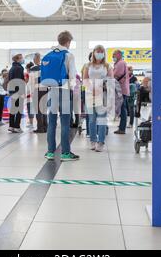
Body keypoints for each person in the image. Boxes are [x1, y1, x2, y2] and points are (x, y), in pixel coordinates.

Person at [45, 31, 79, 161]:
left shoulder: (49, 54)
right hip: (64, 89)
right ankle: (65, 153)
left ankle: (50, 152)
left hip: (51, 90)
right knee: (65, 123)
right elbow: (72, 76)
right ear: (68, 42)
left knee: (52, 122)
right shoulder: (68, 55)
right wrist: (71, 89)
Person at [83, 45, 113, 152]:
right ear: (94, 52)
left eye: (101, 51)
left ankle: (101, 142)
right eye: (97, 51)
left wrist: (102, 87)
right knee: (91, 120)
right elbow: (85, 79)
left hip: (103, 95)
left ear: (104, 53)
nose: (99, 53)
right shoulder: (87, 65)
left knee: (101, 119)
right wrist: (92, 89)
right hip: (90, 94)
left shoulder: (107, 66)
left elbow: (110, 80)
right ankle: (93, 140)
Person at [113, 50, 130, 134]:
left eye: (114, 54)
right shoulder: (121, 63)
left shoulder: (120, 63)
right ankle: (121, 127)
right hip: (123, 89)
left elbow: (116, 75)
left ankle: (122, 128)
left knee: (123, 108)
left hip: (121, 89)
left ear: (119, 54)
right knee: (123, 108)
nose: (113, 56)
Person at [30, 53, 47, 133]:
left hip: (37, 89)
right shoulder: (45, 67)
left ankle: (40, 128)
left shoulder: (33, 68)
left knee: (38, 110)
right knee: (44, 109)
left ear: (35, 59)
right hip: (45, 89)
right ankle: (45, 127)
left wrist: (32, 91)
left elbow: (32, 81)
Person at [8, 54, 25, 133]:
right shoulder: (19, 68)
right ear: (18, 59)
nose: (23, 59)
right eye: (22, 58)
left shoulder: (12, 68)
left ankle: (11, 126)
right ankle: (17, 126)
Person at [25, 62, 35, 128]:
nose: (26, 70)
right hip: (33, 93)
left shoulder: (29, 75)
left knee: (30, 108)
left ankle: (31, 123)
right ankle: (31, 121)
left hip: (30, 93)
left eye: (26, 69)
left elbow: (25, 82)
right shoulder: (34, 74)